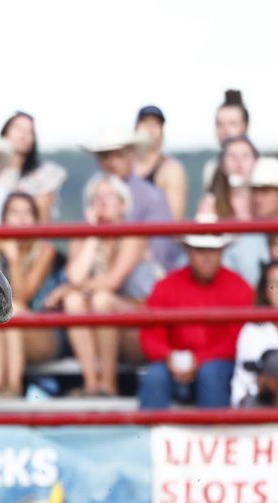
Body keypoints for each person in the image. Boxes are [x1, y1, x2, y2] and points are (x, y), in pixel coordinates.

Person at [44, 173, 155, 397]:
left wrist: (68, 288)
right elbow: (74, 277)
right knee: (74, 300)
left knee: (99, 299)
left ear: (124, 205)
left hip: (136, 319)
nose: (102, 202)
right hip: (101, 318)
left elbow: (112, 282)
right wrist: (93, 236)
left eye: (109, 196)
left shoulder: (134, 234)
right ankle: (92, 384)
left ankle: (108, 384)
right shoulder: (83, 236)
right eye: (96, 197)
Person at [137, 231, 253, 409]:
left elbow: (239, 340)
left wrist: (196, 359)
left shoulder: (240, 288)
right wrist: (169, 357)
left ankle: (214, 433)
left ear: (222, 252)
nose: (207, 257)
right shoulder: (166, 286)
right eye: (200, 250)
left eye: (213, 251)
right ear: (188, 252)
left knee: (211, 374)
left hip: (217, 369)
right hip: (175, 366)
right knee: (155, 377)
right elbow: (150, 336)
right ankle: (150, 433)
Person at [0, 192, 64, 398]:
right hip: (6, 330)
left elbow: (22, 296)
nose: (21, 219)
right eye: (14, 212)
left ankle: (14, 386)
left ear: (36, 220)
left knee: (13, 309)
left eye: (27, 213)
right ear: (3, 219)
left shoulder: (45, 250)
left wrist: (13, 258)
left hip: (44, 334)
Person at [80, 128, 180, 271]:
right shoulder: (93, 192)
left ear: (131, 155)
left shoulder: (151, 197)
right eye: (104, 156)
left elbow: (159, 253)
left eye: (118, 155)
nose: (111, 162)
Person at [222, 156, 278, 288]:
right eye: (254, 191)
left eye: (265, 191)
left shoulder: (240, 241)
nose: (257, 198)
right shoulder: (238, 244)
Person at [231, 256, 278, 407]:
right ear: (265, 289)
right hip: (262, 405)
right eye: (275, 284)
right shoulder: (251, 331)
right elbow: (243, 383)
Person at [0, 111, 66, 221]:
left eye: (29, 131)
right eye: (18, 128)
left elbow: (43, 220)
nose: (23, 135)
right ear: (5, 133)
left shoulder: (45, 175)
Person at [132, 105, 187, 220]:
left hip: (156, 235)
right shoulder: (125, 167)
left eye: (156, 124)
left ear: (162, 131)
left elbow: (174, 218)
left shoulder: (171, 170)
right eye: (145, 123)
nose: (150, 129)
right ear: (135, 128)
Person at [197, 136, 258, 221]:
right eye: (232, 156)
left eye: (245, 156)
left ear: (256, 161)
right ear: (222, 164)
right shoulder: (210, 203)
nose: (239, 162)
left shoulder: (267, 201)